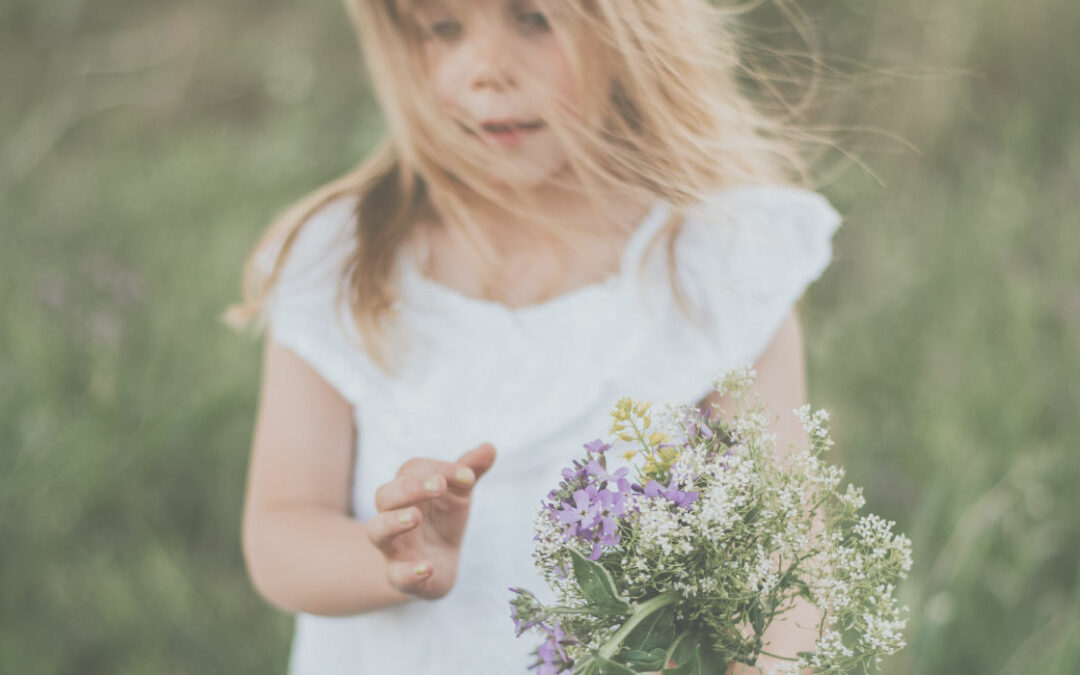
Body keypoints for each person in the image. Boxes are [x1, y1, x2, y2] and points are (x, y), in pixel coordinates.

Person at [225, 0, 843, 672]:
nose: (487, 70)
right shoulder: (344, 261)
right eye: (443, 27)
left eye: (535, 19)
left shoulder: (716, 268)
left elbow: (782, 575)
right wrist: (390, 560)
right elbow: (280, 532)